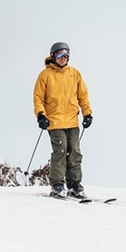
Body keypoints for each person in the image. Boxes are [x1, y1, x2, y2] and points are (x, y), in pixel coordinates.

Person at [33, 42, 93, 199]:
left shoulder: (74, 73)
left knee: (74, 152)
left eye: (66, 55)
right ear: (53, 56)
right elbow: (38, 97)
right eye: (60, 55)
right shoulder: (45, 75)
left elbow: (83, 95)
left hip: (72, 120)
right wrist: (41, 115)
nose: (63, 58)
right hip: (54, 120)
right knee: (60, 151)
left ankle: (74, 185)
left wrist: (87, 114)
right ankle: (57, 184)